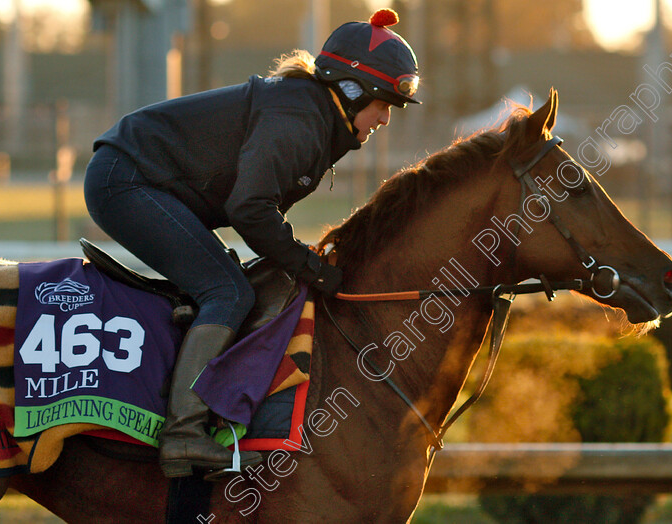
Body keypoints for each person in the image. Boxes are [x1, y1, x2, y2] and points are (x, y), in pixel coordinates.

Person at [83, 8, 421, 478]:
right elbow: (250, 209)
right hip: (127, 181)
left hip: (144, 179)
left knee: (232, 281)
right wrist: (311, 266)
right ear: (349, 90)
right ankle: (183, 435)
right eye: (382, 104)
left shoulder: (311, 115)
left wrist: (302, 260)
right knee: (228, 292)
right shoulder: (299, 118)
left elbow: (258, 213)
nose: (385, 118)